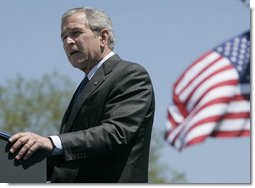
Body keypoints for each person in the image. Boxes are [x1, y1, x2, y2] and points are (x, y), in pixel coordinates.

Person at [8, 7, 155, 183]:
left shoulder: (129, 74)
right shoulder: (86, 84)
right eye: (63, 37)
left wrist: (51, 142)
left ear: (103, 36)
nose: (68, 41)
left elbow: (116, 133)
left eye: (76, 33)